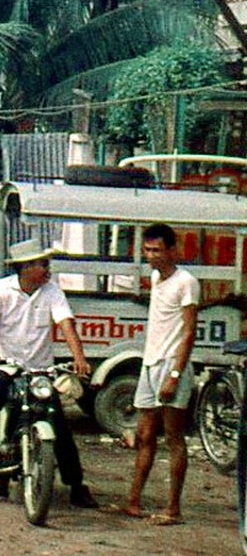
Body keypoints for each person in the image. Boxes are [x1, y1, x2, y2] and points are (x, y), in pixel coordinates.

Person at [0, 239, 99, 510]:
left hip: (39, 370)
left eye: (47, 264)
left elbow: (67, 325)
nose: (47, 269)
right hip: (5, 365)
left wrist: (79, 357)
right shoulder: (0, 290)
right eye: (42, 264)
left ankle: (76, 486)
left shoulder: (52, 292)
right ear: (24, 267)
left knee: (58, 425)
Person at [118, 223, 198, 525]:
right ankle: (133, 501)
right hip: (150, 362)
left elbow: (189, 332)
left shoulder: (186, 282)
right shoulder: (155, 278)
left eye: (157, 250)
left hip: (171, 364)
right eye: (147, 250)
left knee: (174, 438)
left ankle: (173, 509)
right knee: (145, 434)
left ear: (171, 250)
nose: (151, 256)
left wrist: (175, 374)